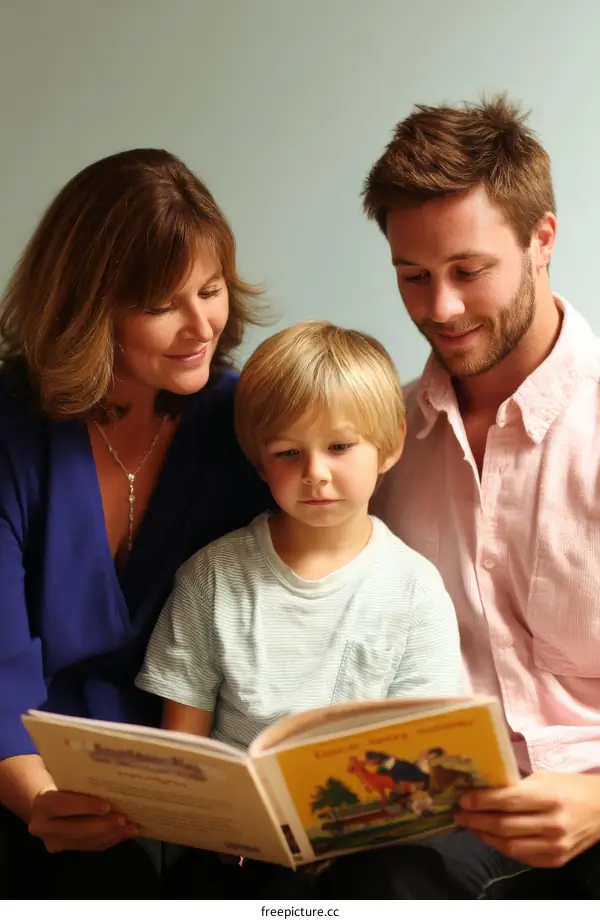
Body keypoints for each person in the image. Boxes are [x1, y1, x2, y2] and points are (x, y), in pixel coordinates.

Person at [0, 148, 271, 897]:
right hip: (26, 768)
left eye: (211, 291)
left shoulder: (244, 421)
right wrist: (40, 801)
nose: (200, 326)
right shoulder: (11, 431)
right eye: (161, 305)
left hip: (206, 775)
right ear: (89, 307)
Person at [353, 94, 600, 899]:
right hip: (436, 824)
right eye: (413, 277)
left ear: (542, 239)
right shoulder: (377, 442)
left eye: (468, 271)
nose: (440, 309)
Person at [135, 320, 464, 897]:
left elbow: (423, 758)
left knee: (407, 883)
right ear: (260, 465)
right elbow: (183, 753)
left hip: (367, 848)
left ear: (388, 447)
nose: (315, 473)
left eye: (339, 447)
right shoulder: (213, 577)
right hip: (237, 850)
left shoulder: (415, 588)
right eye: (288, 452)